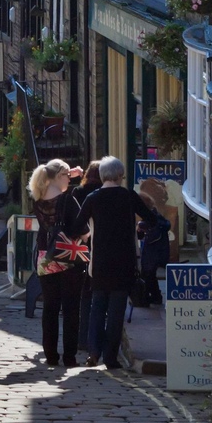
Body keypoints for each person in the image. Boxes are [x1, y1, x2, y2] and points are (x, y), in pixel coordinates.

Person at [68, 156, 170, 369]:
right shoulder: (129, 196)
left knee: (97, 306)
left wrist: (89, 236)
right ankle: (110, 357)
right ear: (120, 175)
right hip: (125, 260)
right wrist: (139, 227)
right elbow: (151, 219)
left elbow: (76, 226)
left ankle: (93, 352)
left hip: (99, 261)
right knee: (116, 311)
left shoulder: (93, 198)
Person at [29, 159, 85, 367]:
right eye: (66, 176)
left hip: (45, 256)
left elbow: (54, 176)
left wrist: (68, 172)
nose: (68, 181)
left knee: (50, 308)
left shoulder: (37, 200)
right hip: (68, 257)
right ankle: (69, 357)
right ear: (57, 177)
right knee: (71, 309)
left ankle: (51, 355)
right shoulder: (68, 201)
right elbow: (82, 229)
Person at [75, 160, 105, 362]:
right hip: (101, 247)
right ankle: (98, 341)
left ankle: (82, 339)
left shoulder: (78, 192)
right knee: (99, 297)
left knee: (84, 297)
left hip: (81, 247)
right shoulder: (104, 194)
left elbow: (75, 220)